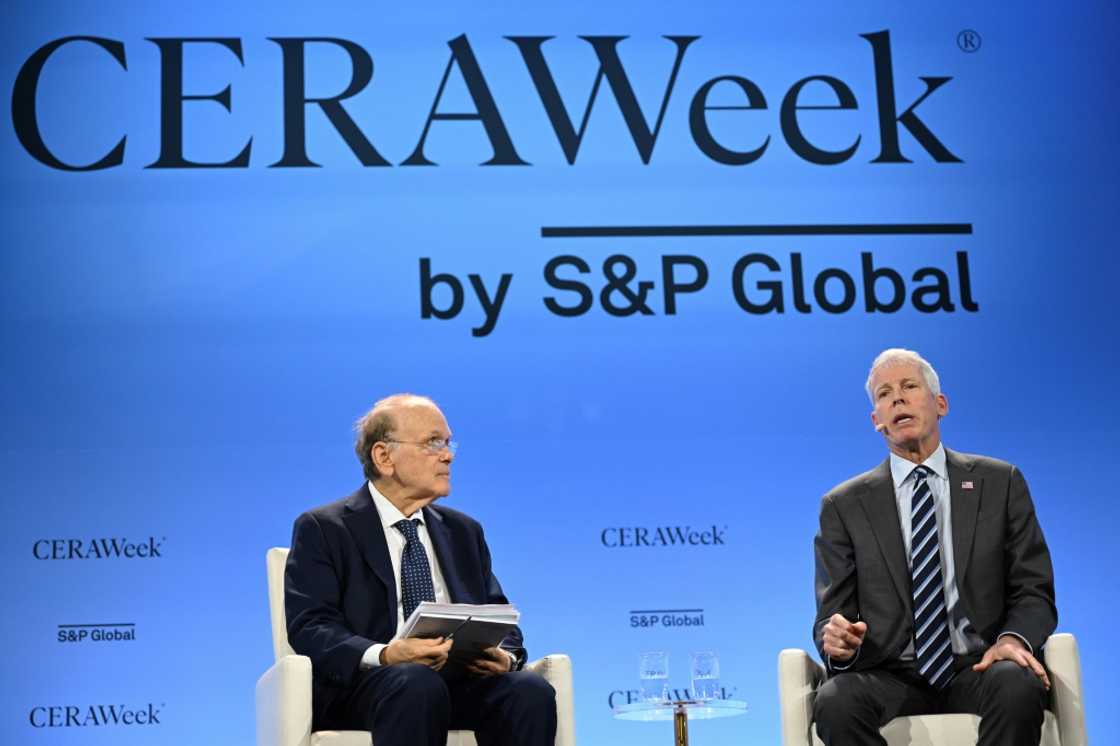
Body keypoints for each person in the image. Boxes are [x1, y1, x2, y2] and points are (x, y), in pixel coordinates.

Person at [812, 349, 1057, 745]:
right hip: (889, 673)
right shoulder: (843, 506)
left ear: (940, 404)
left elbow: (1033, 589)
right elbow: (832, 616)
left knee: (1016, 684)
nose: (897, 399)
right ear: (877, 421)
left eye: (909, 386)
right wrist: (837, 641)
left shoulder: (1000, 482)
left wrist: (1011, 641)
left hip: (979, 665)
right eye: (884, 394)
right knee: (837, 700)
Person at [284, 394, 556, 746]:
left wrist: (505, 655)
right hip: (369, 688)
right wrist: (385, 653)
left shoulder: (463, 531)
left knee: (529, 690)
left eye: (447, 442)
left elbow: (498, 613)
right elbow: (311, 626)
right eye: (433, 443)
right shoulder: (324, 527)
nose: (448, 455)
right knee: (414, 682)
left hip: (459, 682)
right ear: (384, 457)